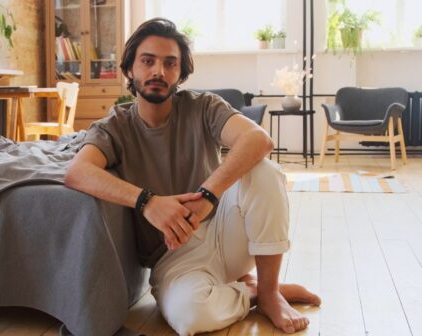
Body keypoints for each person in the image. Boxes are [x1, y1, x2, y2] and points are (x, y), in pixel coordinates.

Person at [64, 18, 321, 336]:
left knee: (265, 171)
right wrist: (147, 202)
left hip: (224, 229)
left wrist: (208, 197)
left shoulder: (204, 106)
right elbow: (77, 172)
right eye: (147, 61)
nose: (158, 71)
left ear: (180, 73)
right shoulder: (114, 126)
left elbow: (259, 139)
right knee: (191, 317)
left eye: (169, 63)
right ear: (130, 69)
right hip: (171, 256)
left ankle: (268, 292)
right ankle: (251, 292)